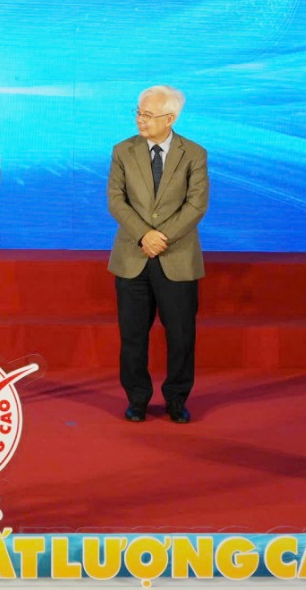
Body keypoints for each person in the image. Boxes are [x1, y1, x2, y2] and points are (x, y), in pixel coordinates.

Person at [107, 85, 209, 423]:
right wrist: (144, 235)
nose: (140, 119)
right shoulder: (123, 150)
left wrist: (161, 237)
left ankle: (177, 399)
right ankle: (137, 399)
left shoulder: (193, 153)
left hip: (177, 256)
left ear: (170, 118)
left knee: (180, 335)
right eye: (138, 112)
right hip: (132, 257)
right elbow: (116, 200)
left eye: (148, 115)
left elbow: (196, 204)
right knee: (133, 336)